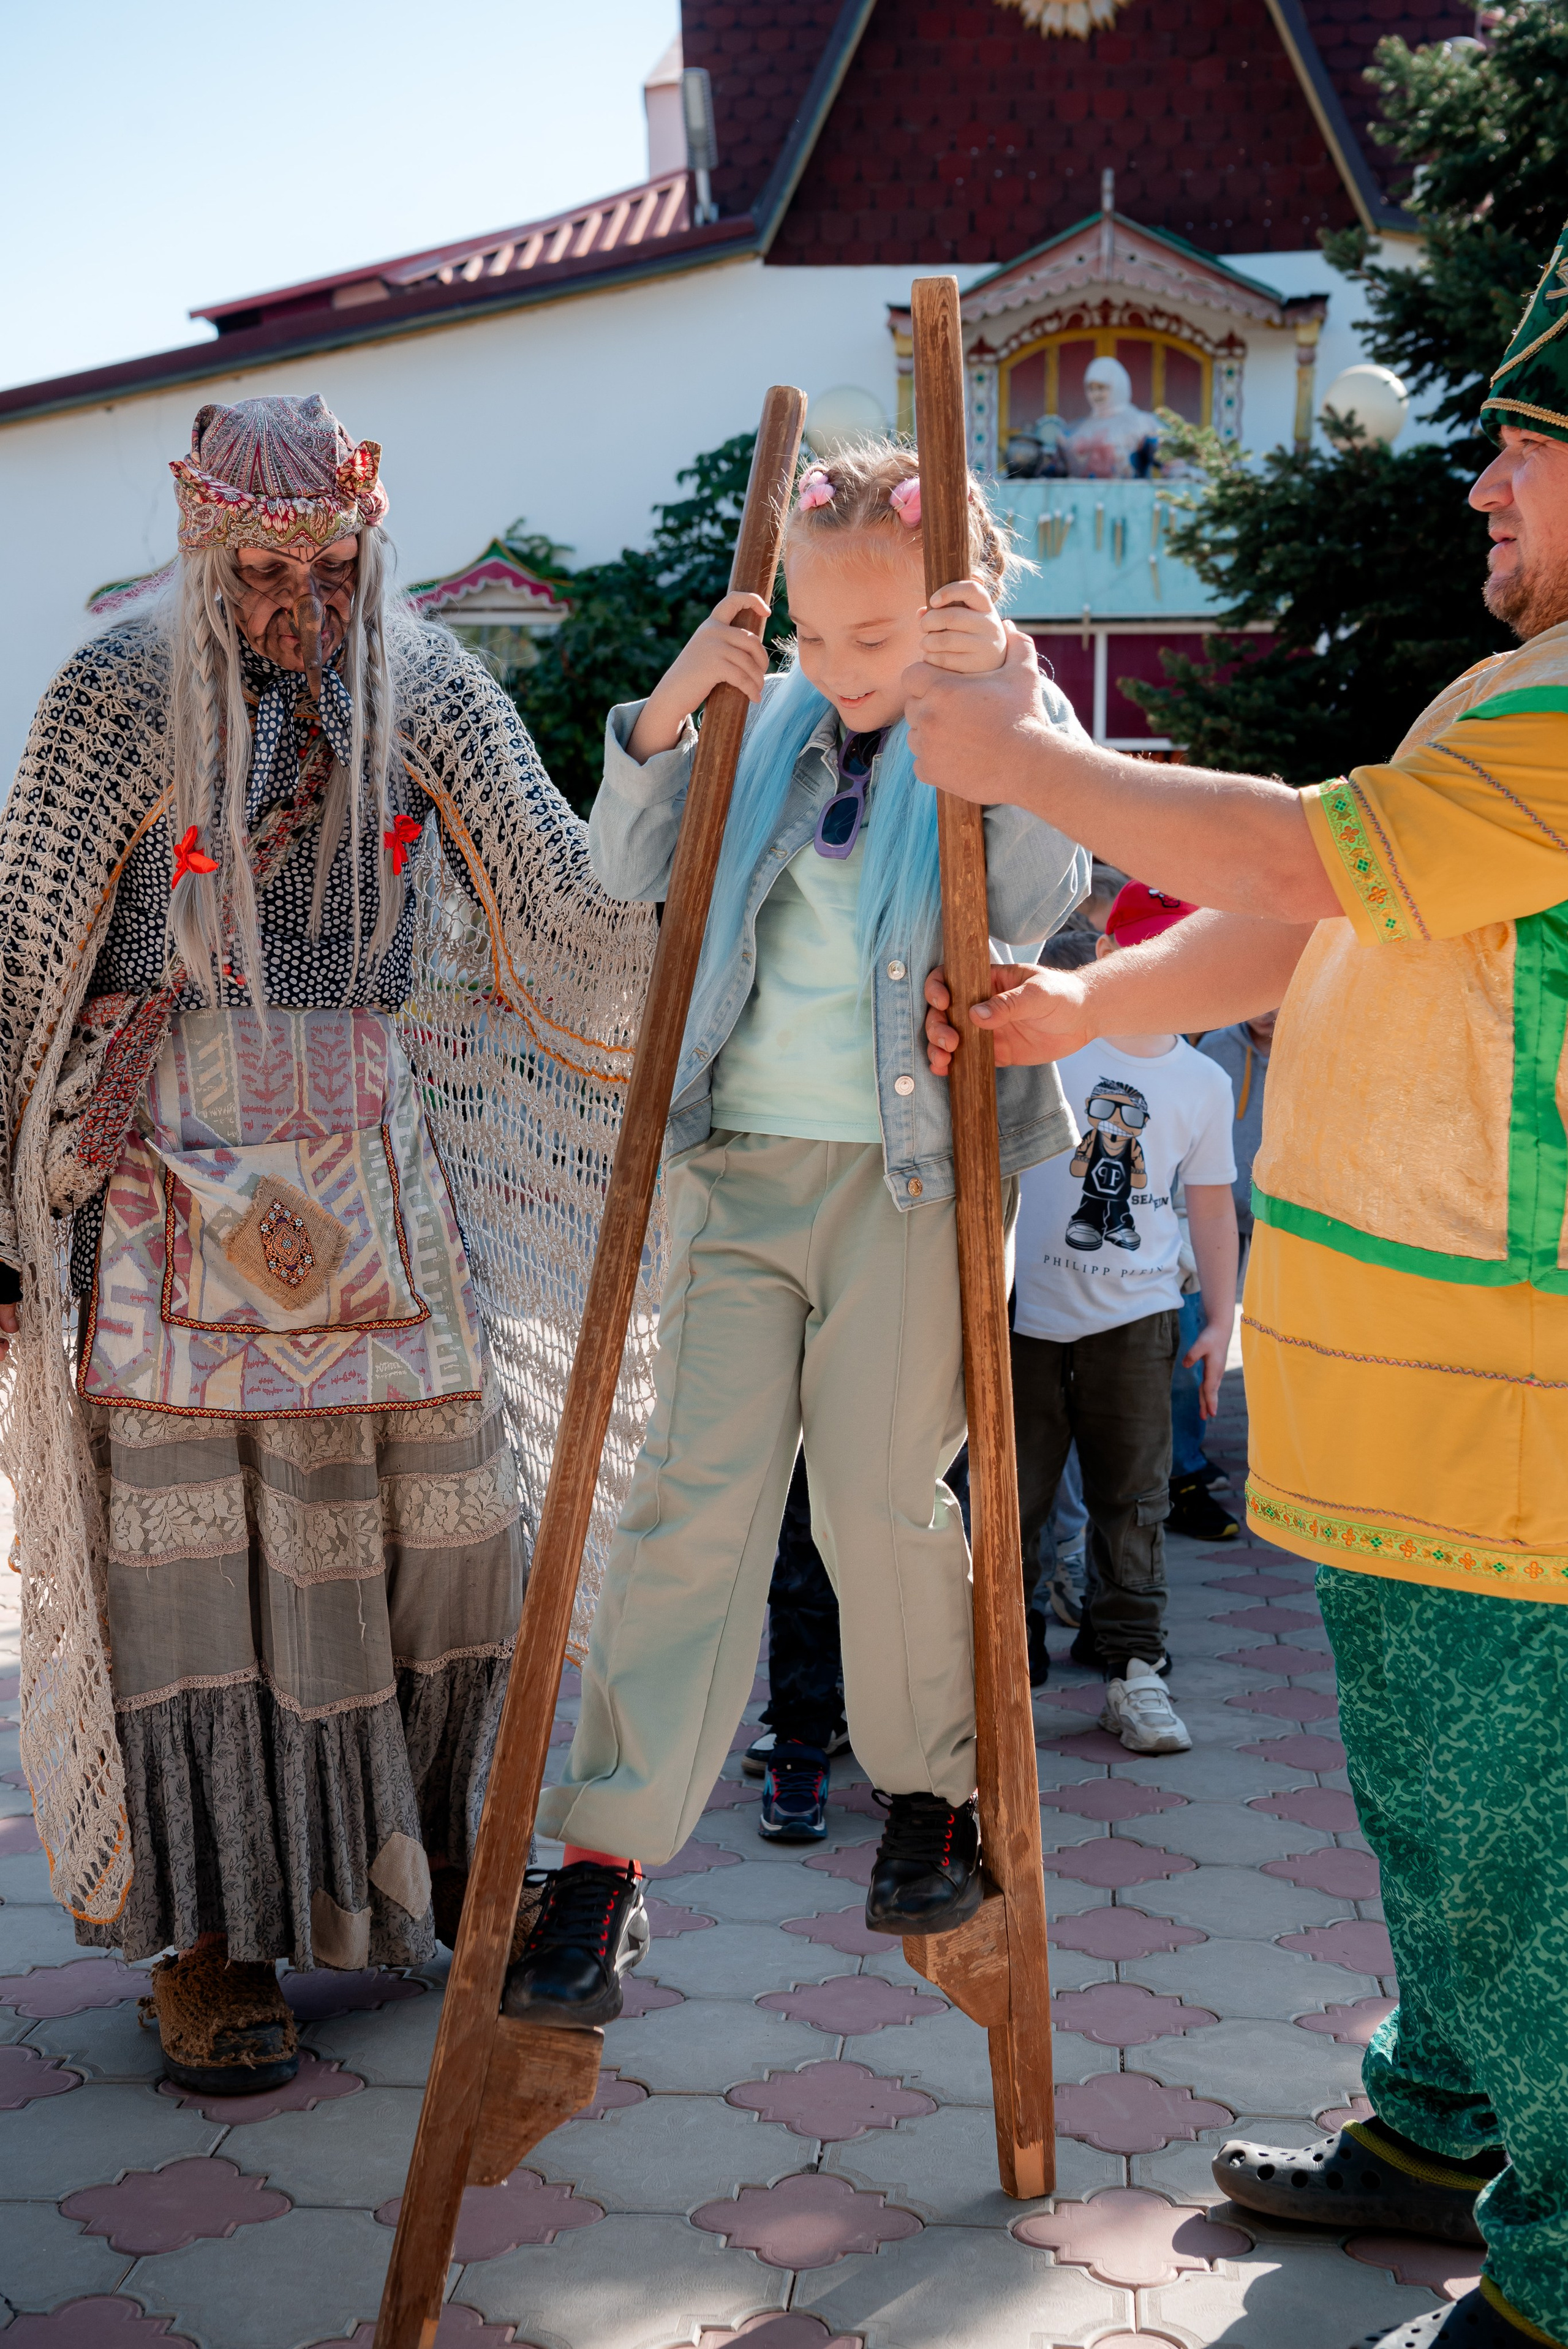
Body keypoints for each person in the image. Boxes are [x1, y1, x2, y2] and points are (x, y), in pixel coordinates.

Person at [914, 220, 1568, 2349]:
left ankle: (1560, 2271)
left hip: (1521, 1432)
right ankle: (1444, 2128)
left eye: (1530, 448)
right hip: (1426, 1408)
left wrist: (1029, 767)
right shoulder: (1514, 692)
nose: (1483, 481)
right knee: (1439, 1814)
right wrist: (1087, 1001)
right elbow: (1328, 909)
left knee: (1529, 1853)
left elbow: (1296, 853)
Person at [0, 396, 657, 2096]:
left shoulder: (426, 680)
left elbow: (574, 913)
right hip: (163, 1179)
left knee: (452, 1538)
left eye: (332, 564)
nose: (302, 599)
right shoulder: (107, 694)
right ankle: (211, 1939)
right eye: (263, 568)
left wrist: (669, 751)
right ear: (200, 542)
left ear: (371, 538)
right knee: (194, 1579)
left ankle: (459, 1872)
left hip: (372, 1168)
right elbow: (20, 963)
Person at [505, 439, 1089, 2029]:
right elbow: (626, 870)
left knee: (881, 1502)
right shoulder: (761, 727)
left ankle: (929, 1792)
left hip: (912, 1184)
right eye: (814, 635)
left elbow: (1040, 893)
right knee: (689, 1502)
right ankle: (604, 1857)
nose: (837, 666)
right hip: (740, 1173)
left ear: (956, 610)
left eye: (873, 638)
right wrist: (670, 709)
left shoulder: (994, 722)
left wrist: (1008, 702)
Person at [1012, 883, 1238, 1749]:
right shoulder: (1051, 1050)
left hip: (1139, 1323)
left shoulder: (1203, 1082)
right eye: (1152, 954)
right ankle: (1003, 1665)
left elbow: (1209, 1204)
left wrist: (1218, 1320)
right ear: (1110, 955)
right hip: (1026, 1316)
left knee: (1134, 1502)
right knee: (1014, 1499)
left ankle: (1134, 1668)